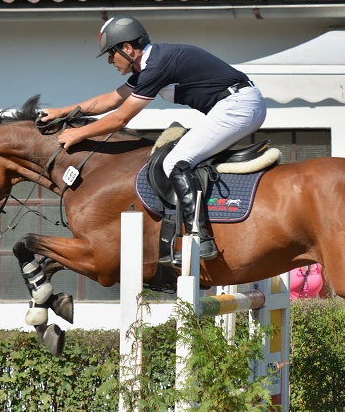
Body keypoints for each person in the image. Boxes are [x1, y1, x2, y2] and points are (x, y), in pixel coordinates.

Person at [41, 15, 267, 260]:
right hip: (238, 104)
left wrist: (79, 133)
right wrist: (61, 112)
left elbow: (120, 119)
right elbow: (111, 100)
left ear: (127, 48)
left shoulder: (156, 67)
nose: (109, 60)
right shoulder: (151, 65)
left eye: (111, 53)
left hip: (237, 107)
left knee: (175, 162)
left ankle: (201, 240)